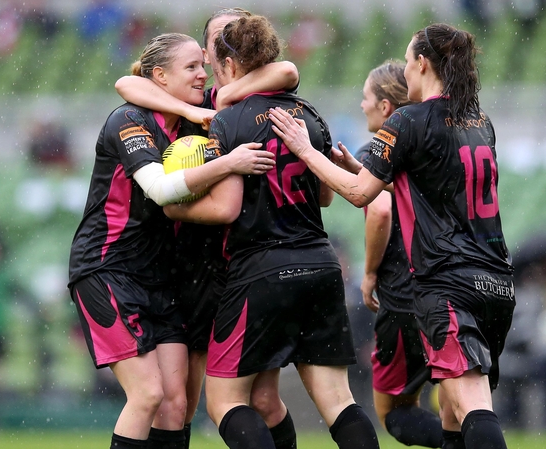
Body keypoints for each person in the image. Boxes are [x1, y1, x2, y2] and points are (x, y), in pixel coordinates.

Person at [269, 23, 515, 449]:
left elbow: (361, 194)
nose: (404, 70)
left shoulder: (409, 118)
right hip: (495, 283)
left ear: (422, 63)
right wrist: (359, 168)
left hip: (447, 285)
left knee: (472, 405)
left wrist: (304, 150)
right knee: (454, 415)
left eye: (406, 61)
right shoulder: (480, 121)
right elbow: (419, 183)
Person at [165, 15, 379, 449]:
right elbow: (323, 197)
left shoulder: (227, 123)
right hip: (320, 265)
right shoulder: (311, 115)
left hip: (260, 271)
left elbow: (227, 208)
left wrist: (174, 205)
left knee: (224, 403)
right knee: (339, 400)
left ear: (227, 63)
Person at [67, 32, 275, 449]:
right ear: (159, 76)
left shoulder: (192, 115)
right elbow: (160, 191)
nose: (203, 74)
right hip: (106, 269)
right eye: (192, 67)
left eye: (203, 65)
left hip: (159, 277)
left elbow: (285, 71)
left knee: (177, 406)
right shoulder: (128, 120)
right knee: (147, 396)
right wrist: (229, 163)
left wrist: (188, 108)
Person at [114, 7, 300, 448]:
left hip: (247, 258)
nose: (225, 43)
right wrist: (193, 108)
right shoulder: (196, 97)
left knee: (261, 399)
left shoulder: (247, 94)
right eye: (218, 36)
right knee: (181, 401)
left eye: (235, 34)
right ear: (206, 50)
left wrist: (224, 99)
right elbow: (126, 82)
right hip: (194, 262)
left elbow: (289, 69)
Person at [353, 60, 442, 447]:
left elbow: (381, 211)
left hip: (404, 294)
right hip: (449, 288)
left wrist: (370, 272)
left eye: (366, 97)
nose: (361, 105)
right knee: (458, 399)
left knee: (394, 413)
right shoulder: (436, 145)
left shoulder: (376, 150)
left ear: (386, 106)